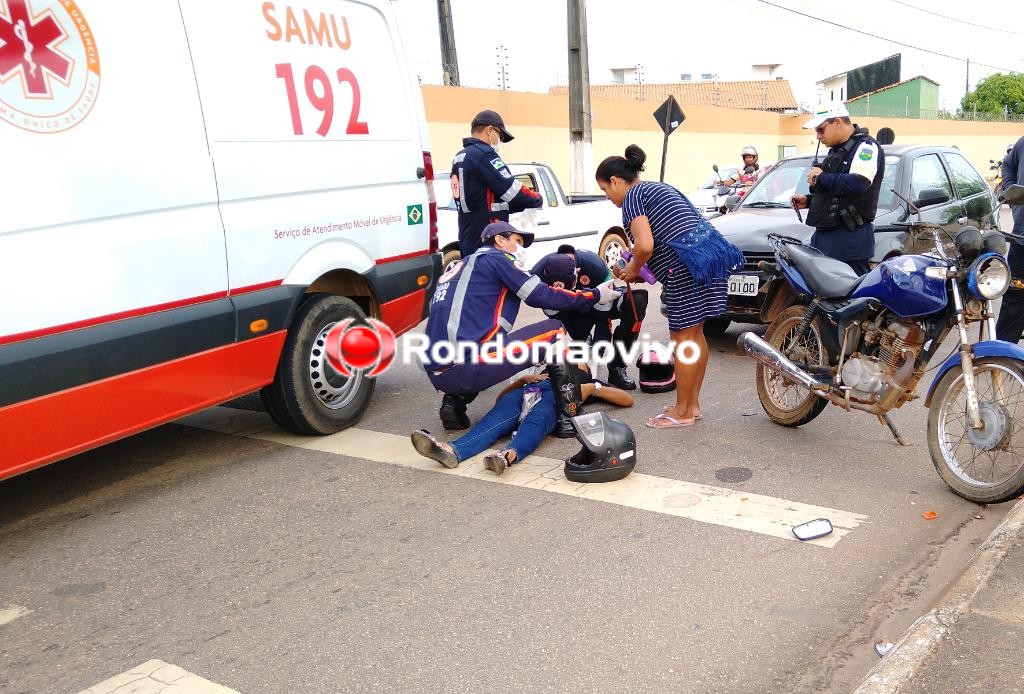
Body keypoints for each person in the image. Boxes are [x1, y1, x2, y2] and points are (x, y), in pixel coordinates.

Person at [423, 221, 621, 434]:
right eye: (517, 241)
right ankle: (567, 416)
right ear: (499, 240)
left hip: (437, 371)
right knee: (554, 331)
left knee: (478, 339)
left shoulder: (460, 267)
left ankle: (453, 404)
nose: (521, 249)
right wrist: (595, 295)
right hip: (468, 367)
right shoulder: (498, 259)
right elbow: (540, 295)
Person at [596, 145, 743, 428]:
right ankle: (691, 405)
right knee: (695, 336)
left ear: (615, 181)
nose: (608, 197)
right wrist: (638, 268)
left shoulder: (632, 198)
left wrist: (632, 269)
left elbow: (645, 245)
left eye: (605, 189)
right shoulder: (657, 188)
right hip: (710, 257)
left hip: (686, 266)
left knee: (683, 341)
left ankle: (683, 411)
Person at [411, 365, 634, 476]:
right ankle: (452, 450)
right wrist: (522, 381)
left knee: (537, 422)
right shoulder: (538, 373)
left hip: (558, 396)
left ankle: (507, 456)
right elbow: (499, 400)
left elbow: (627, 399)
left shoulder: (586, 379)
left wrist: (591, 389)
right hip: (528, 390)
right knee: (493, 422)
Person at [532, 245, 649, 390]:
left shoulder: (595, 267)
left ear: (577, 273)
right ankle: (583, 342)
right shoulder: (537, 274)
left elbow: (603, 319)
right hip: (568, 309)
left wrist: (596, 356)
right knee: (558, 315)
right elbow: (556, 320)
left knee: (636, 302)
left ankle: (617, 368)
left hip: (598, 301)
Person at [791, 102, 884, 276]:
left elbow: (859, 182)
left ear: (838, 123)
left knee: (851, 298)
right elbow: (837, 193)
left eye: (821, 129)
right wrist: (809, 201)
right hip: (825, 236)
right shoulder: (837, 150)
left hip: (849, 240)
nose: (818, 136)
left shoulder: (866, 147)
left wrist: (821, 178)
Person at [450, 110, 543, 258]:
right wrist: (536, 198)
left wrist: (518, 206)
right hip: (488, 234)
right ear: (490, 130)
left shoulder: (460, 156)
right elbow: (511, 189)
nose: (499, 141)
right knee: (490, 277)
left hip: (468, 232)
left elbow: (487, 197)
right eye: (499, 135)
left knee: (474, 275)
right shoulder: (484, 154)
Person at [996, 135, 1024, 343]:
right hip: (1022, 238)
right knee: (1014, 298)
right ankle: (1000, 360)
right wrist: (1013, 195)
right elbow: (1008, 165)